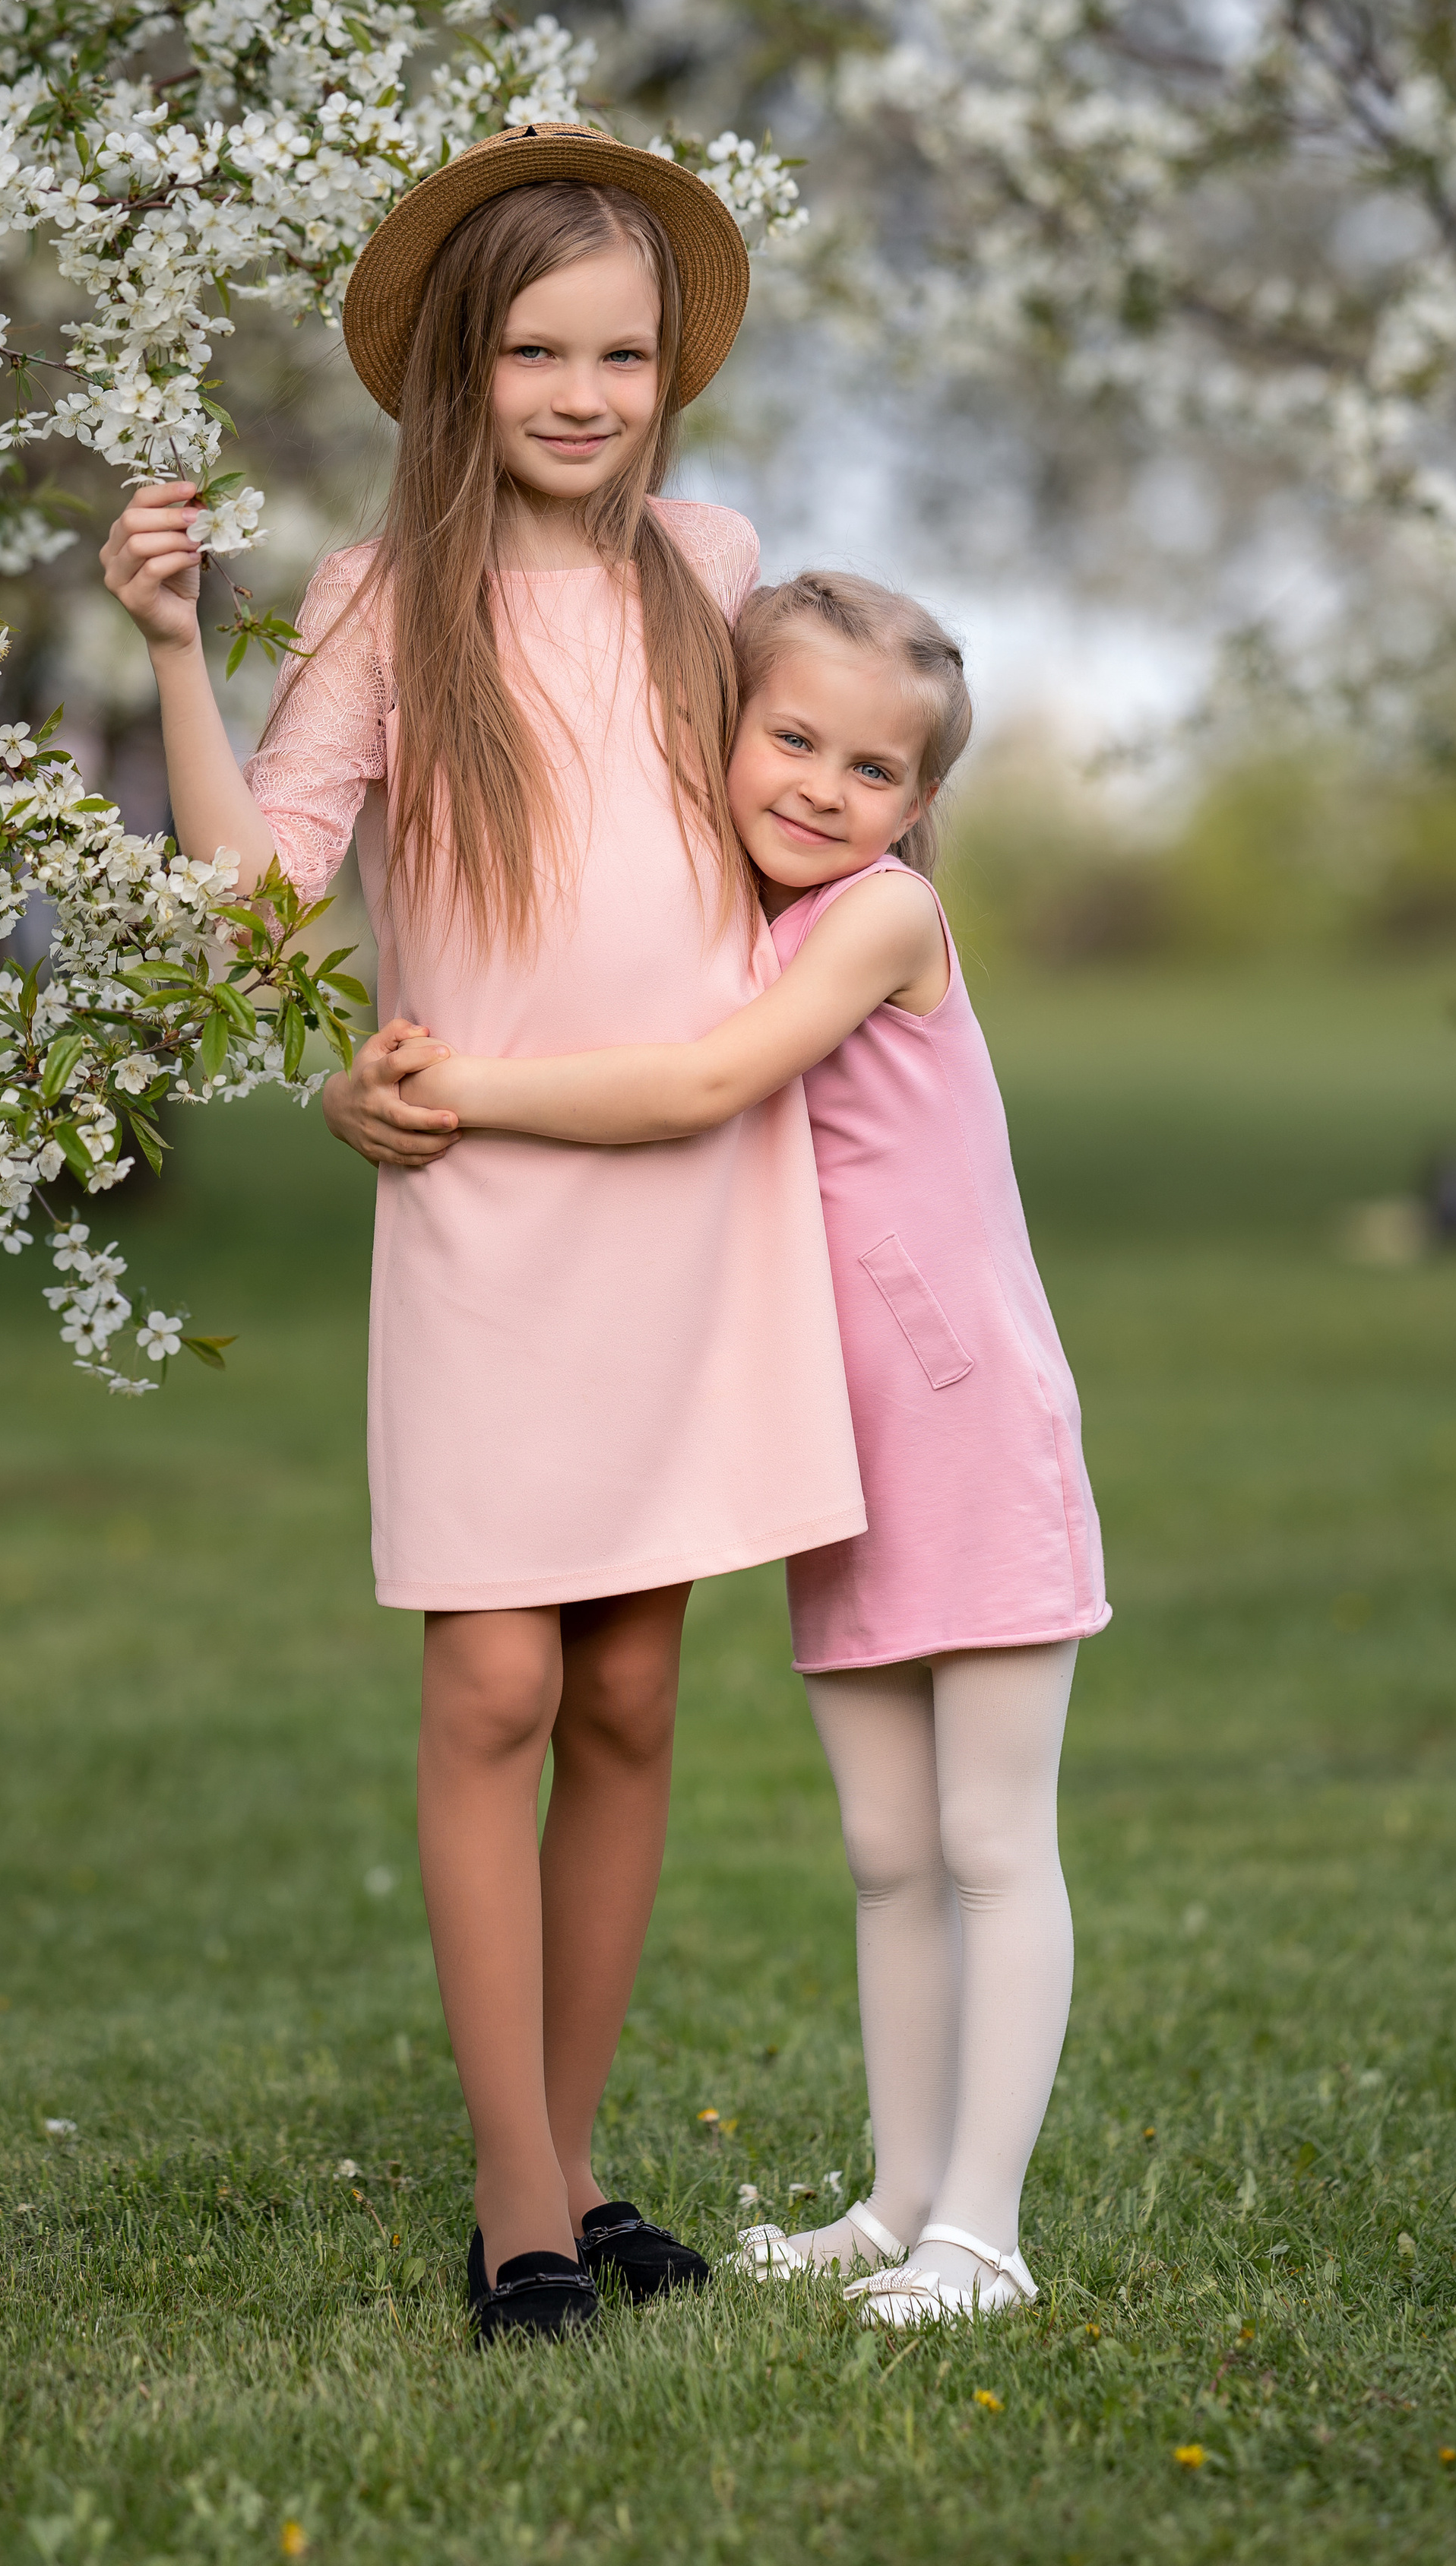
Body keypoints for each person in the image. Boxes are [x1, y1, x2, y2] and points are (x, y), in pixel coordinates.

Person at [100, 130, 866, 2343]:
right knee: (497, 1677)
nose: (584, 390)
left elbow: (797, 820)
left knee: (630, 1685)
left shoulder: (710, 567)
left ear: (671, 376)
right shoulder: (380, 597)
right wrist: (169, 653)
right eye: (538, 347)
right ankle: (516, 2201)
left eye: (624, 352)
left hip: (694, 1190)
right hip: (488, 1194)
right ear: (460, 364)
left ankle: (589, 2153)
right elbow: (262, 897)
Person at [387, 568, 1111, 2324]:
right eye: (786, 738)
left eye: (870, 771)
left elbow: (704, 1089)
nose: (817, 787)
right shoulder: (741, 909)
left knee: (987, 1839)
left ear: (916, 810)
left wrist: (454, 1087)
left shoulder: (874, 922)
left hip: (962, 1428)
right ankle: (897, 2199)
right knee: (878, 1846)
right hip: (822, 1440)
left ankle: (982, 2239)